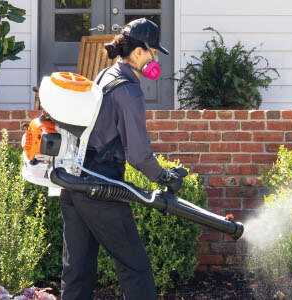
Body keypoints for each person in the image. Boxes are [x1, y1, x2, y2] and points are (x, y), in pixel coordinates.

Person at [59, 18, 184, 300]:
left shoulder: (105, 75)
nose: (154, 58)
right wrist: (165, 177)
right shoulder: (128, 90)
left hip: (74, 181)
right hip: (100, 187)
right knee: (135, 268)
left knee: (77, 270)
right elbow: (138, 154)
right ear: (139, 52)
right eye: (152, 52)